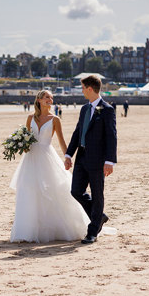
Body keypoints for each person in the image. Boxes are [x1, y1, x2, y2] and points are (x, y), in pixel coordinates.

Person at [10, 90, 90, 243]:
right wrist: (21, 145)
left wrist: (67, 157)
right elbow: (27, 140)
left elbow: (61, 140)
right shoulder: (30, 118)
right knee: (29, 191)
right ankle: (28, 231)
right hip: (31, 159)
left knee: (54, 190)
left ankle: (59, 228)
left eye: (51, 98)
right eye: (47, 97)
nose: (50, 99)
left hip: (47, 156)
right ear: (39, 100)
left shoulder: (55, 119)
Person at [65, 75, 117, 244]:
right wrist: (68, 154)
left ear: (89, 88)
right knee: (76, 191)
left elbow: (111, 136)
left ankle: (92, 232)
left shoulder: (107, 109)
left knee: (97, 194)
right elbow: (77, 132)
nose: (81, 91)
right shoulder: (84, 109)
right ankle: (99, 216)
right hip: (81, 158)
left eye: (82, 88)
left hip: (98, 160)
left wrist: (110, 161)